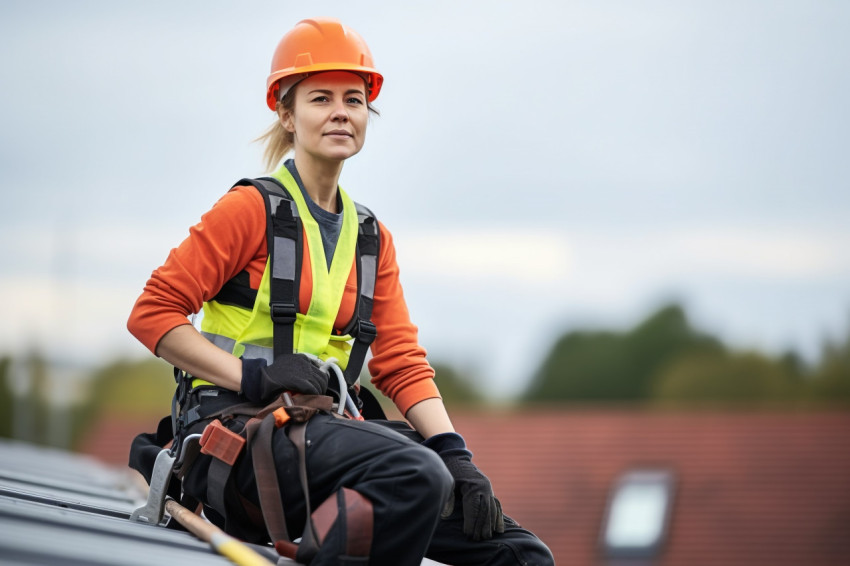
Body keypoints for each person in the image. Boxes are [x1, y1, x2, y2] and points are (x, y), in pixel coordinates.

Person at [127, 17, 553, 566]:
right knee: (414, 473)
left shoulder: (372, 238)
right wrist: (255, 376)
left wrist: (457, 456)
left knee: (518, 554)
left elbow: (401, 363)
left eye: (353, 100)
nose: (340, 112)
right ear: (286, 113)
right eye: (320, 98)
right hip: (237, 438)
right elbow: (152, 314)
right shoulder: (249, 210)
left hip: (329, 437)